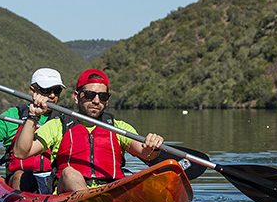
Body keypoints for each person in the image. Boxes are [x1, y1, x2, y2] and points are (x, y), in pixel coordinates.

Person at [12, 68, 164, 194]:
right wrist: (33, 117)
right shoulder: (58, 126)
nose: (96, 101)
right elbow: (21, 153)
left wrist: (153, 145)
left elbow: (147, 154)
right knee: (69, 172)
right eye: (90, 95)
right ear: (77, 97)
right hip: (70, 194)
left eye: (103, 96)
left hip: (110, 192)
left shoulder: (118, 127)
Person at [0, 68, 65, 193]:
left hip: (53, 178)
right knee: (20, 175)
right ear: (32, 90)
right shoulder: (13, 115)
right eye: (46, 90)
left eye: (57, 90)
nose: (52, 95)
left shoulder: (65, 119)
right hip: (20, 181)